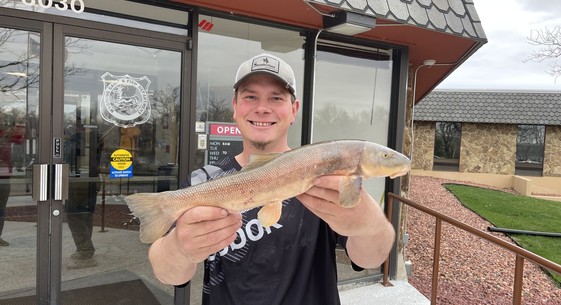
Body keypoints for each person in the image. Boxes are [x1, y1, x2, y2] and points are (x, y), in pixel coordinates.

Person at [148, 53, 395, 304]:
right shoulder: (204, 180)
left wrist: (372, 224)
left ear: (293, 109)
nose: (262, 108)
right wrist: (178, 248)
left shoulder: (326, 177)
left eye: (276, 98)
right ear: (235, 106)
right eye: (250, 96)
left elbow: (369, 259)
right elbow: (168, 274)